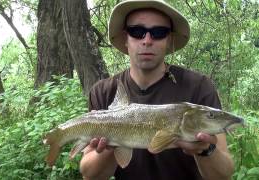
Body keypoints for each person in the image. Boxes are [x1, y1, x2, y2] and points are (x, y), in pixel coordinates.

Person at [80, 0, 234, 179]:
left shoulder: (199, 87)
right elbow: (90, 175)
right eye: (137, 32)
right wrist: (112, 142)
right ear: (126, 39)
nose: (147, 40)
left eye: (158, 32)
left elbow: (223, 175)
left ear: (169, 40)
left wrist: (206, 149)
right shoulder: (104, 92)